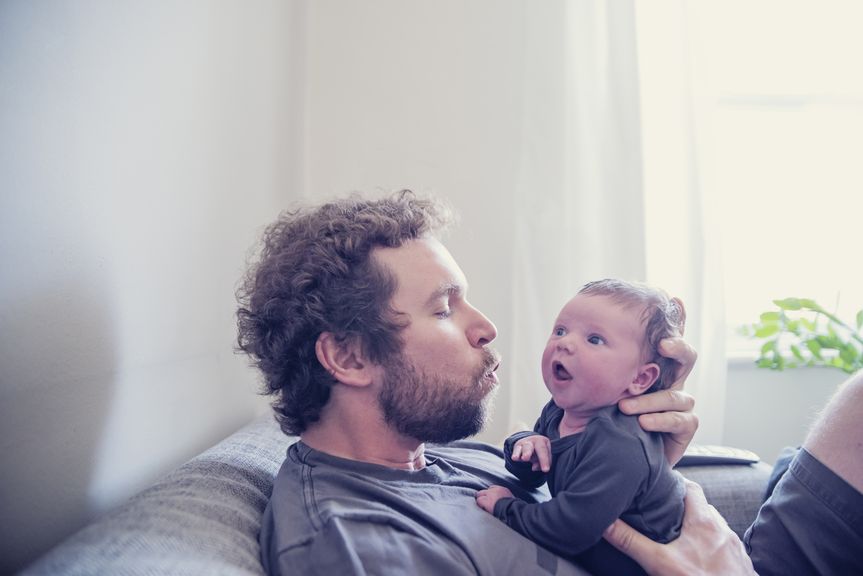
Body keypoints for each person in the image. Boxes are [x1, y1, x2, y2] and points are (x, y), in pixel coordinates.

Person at [236, 190, 861, 575]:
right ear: (347, 357)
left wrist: (646, 465)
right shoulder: (360, 545)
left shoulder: (432, 456)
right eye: (445, 309)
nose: (486, 328)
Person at [475, 280, 687, 575]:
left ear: (639, 379)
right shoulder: (561, 408)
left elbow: (567, 530)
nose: (564, 342)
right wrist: (525, 444)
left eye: (595, 339)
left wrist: (506, 507)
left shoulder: (620, 443)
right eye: (560, 330)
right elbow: (534, 475)